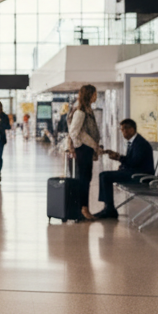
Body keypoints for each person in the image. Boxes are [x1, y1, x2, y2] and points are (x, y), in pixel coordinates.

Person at [94, 119, 155, 219]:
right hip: (135, 172)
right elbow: (132, 161)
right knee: (103, 175)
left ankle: (109, 209)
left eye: (124, 129)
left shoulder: (140, 143)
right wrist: (122, 165)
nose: (123, 132)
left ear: (131, 129)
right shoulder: (134, 141)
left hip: (141, 176)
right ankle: (108, 208)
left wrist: (119, 158)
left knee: (105, 176)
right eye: (121, 129)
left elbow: (134, 162)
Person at [67, 84, 102, 221]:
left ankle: (84, 208)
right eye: (94, 94)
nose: (96, 96)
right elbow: (74, 132)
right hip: (83, 150)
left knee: (86, 179)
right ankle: (83, 208)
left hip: (86, 149)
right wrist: (82, 145)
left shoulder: (86, 109)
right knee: (84, 180)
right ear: (89, 95)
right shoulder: (81, 111)